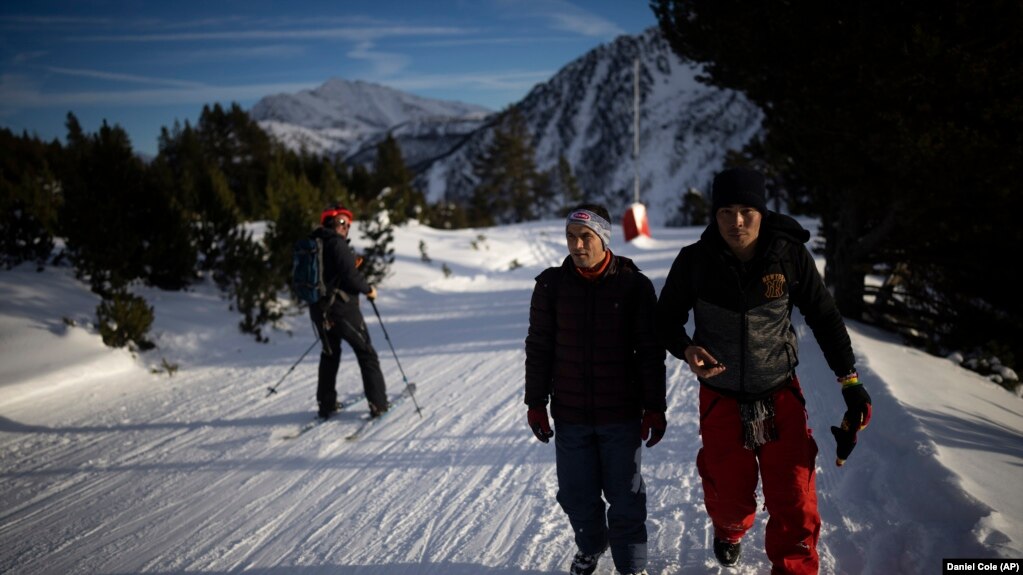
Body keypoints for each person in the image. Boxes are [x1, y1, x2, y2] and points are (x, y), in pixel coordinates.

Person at [656, 167, 872, 574]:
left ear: (761, 210)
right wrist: (685, 348)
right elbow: (663, 320)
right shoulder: (695, 262)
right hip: (721, 399)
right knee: (730, 496)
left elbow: (825, 317)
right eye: (725, 211)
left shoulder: (788, 256)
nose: (735, 222)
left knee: (795, 497)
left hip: (779, 394)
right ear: (713, 214)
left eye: (746, 210)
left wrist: (850, 382)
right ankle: (730, 529)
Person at [524, 203, 667, 575]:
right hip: (570, 416)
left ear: (603, 238)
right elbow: (539, 347)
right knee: (575, 495)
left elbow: (650, 352)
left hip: (620, 415)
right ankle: (590, 545)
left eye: (585, 237)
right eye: (571, 237)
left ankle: (630, 568)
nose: (577, 245)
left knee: (626, 498)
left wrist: (654, 407)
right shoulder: (550, 286)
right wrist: (535, 402)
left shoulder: (634, 286)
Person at [309, 205, 389, 419]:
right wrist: (369, 289)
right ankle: (378, 404)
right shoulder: (337, 244)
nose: (345, 227)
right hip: (342, 310)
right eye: (341, 222)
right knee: (367, 353)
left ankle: (326, 406)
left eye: (348, 224)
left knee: (330, 354)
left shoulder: (313, 244)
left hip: (318, 311)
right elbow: (351, 278)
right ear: (330, 222)